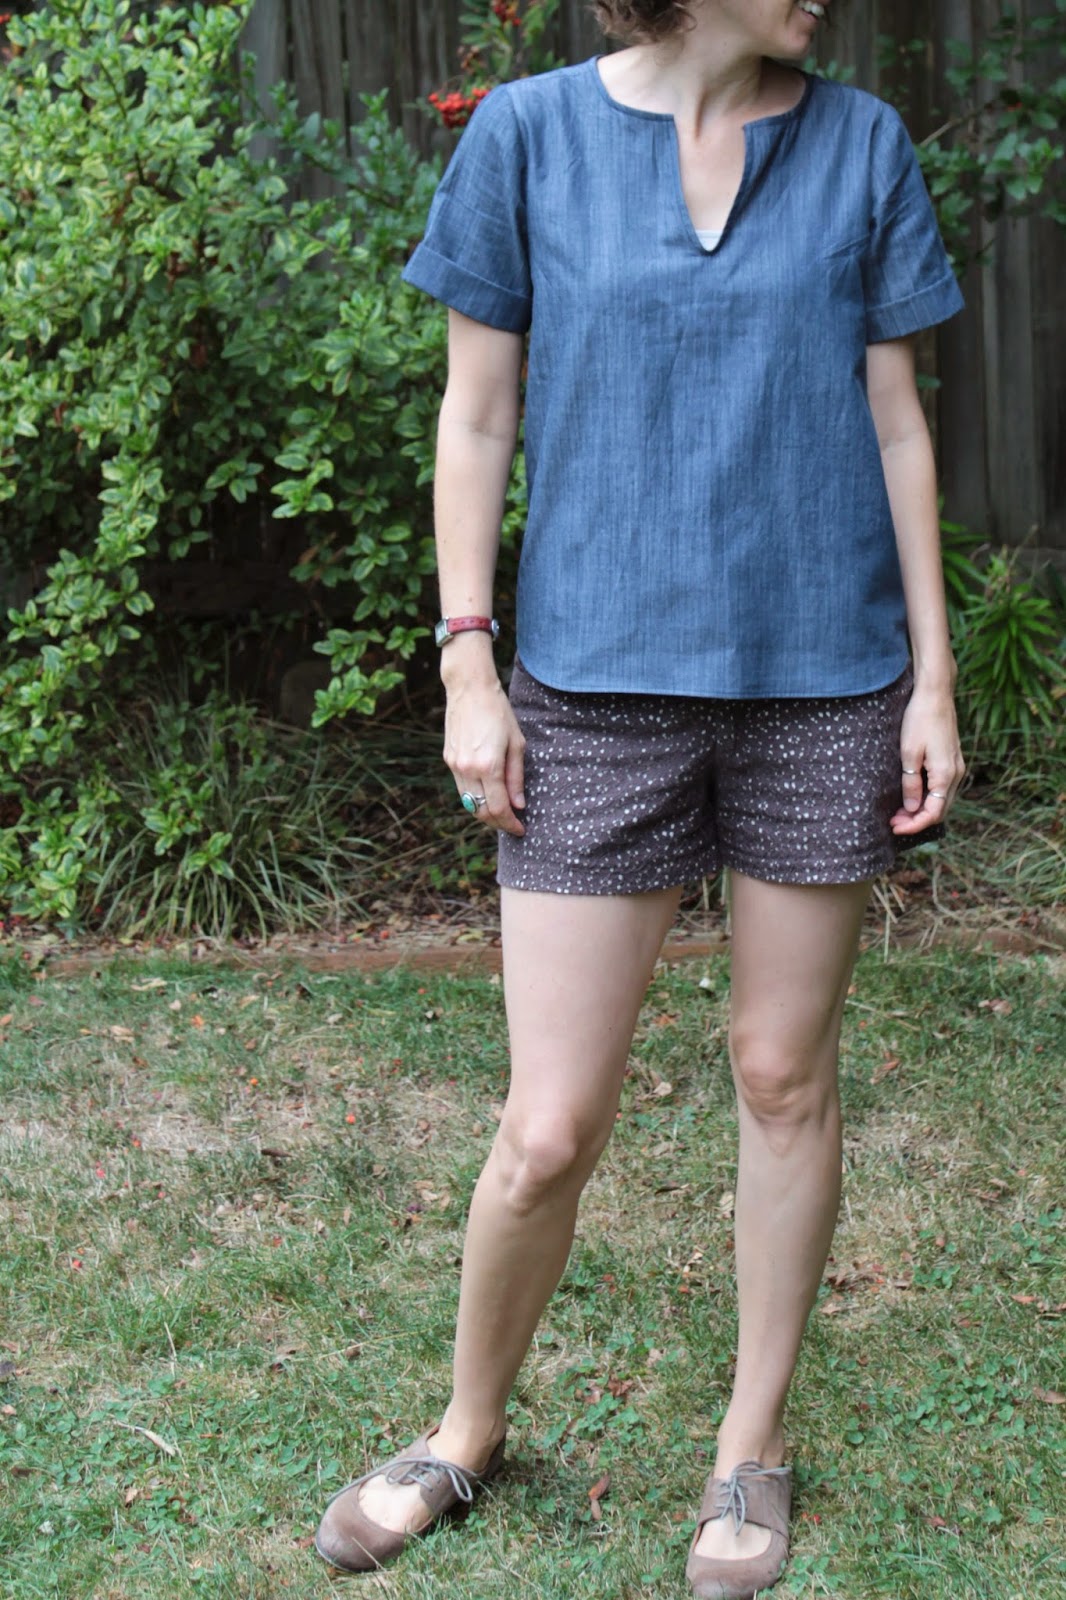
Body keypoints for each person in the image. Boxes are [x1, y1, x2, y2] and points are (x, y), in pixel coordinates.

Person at [315, 1, 966, 1594]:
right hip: (592, 688)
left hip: (822, 681)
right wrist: (468, 662)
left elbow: (896, 421)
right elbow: (475, 414)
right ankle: (465, 1430)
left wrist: (931, 680)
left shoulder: (860, 143)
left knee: (780, 1074)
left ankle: (749, 1449)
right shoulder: (527, 138)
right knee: (546, 1128)